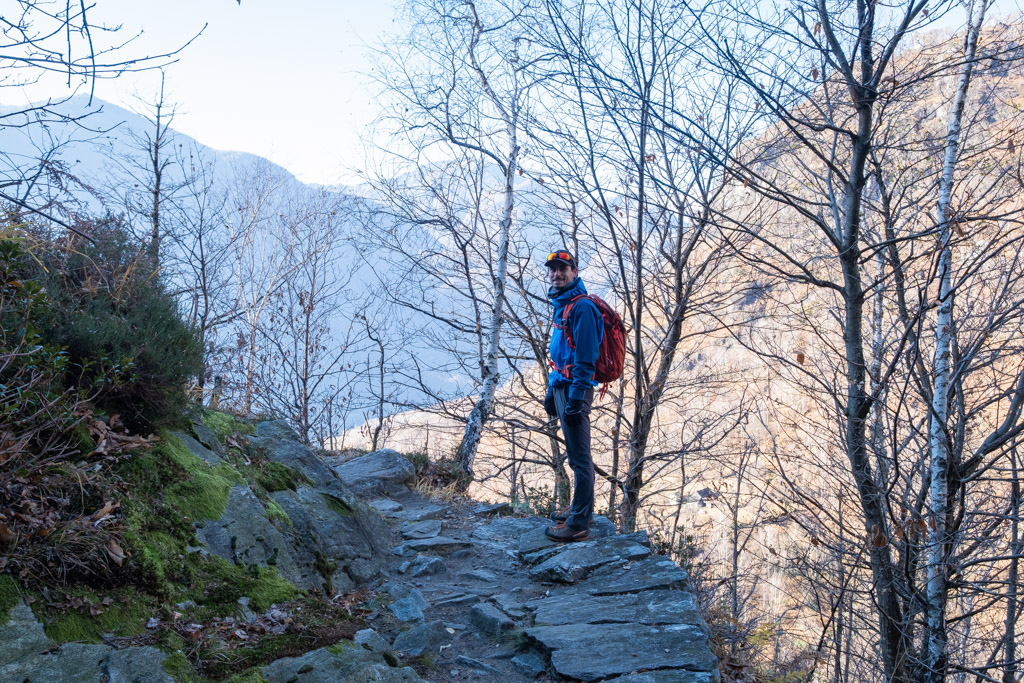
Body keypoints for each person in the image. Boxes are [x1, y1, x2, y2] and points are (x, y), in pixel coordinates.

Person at [543, 250, 603, 542]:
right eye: (553, 270)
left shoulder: (582, 308)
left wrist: (576, 398)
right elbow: (561, 354)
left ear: (575, 271)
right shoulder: (563, 304)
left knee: (580, 459)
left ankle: (579, 523)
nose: (557, 274)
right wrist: (551, 392)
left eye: (563, 269)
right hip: (562, 386)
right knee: (575, 456)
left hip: (574, 389)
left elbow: (585, 359)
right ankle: (580, 509)